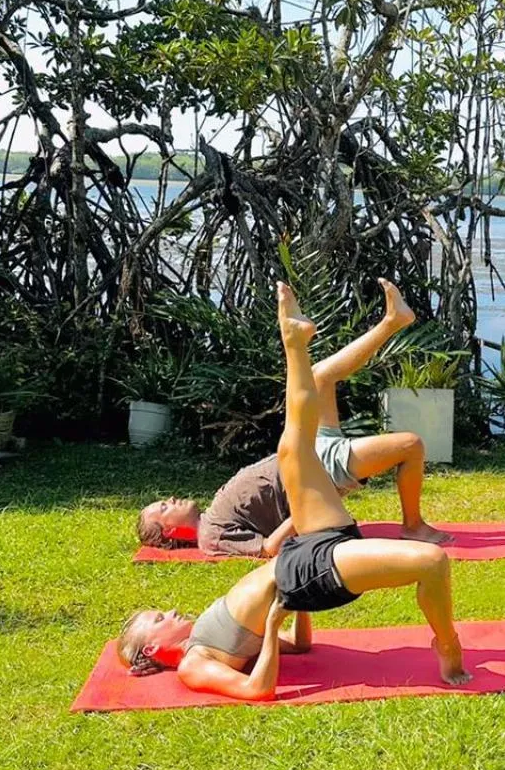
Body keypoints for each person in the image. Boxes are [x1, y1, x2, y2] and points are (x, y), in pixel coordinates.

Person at [117, 282, 470, 699]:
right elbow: (257, 690)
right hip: (305, 573)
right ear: (153, 648)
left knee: (294, 443)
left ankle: (295, 341)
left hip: (302, 558)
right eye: (160, 618)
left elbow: (302, 647)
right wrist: (271, 625)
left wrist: (291, 614)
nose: (172, 610)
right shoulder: (194, 664)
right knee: (432, 562)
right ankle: (448, 645)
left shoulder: (206, 636)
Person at [136, 279, 450, 556]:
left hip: (307, 451)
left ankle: (393, 321)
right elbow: (270, 547)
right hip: (314, 471)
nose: (171, 499)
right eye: (164, 507)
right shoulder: (211, 536)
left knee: (319, 377)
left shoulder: (212, 519)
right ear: (171, 532)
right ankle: (413, 526)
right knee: (410, 445)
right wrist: (311, 503)